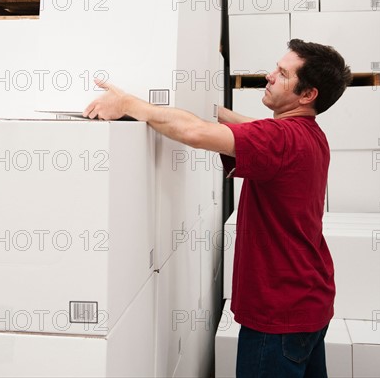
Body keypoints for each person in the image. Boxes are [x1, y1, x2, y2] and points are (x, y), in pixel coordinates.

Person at [83, 39, 352, 378]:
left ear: (307, 94)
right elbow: (254, 130)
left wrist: (129, 103)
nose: (269, 76)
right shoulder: (309, 135)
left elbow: (194, 134)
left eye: (282, 74)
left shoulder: (279, 139)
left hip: (278, 315)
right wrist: (215, 111)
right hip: (310, 303)